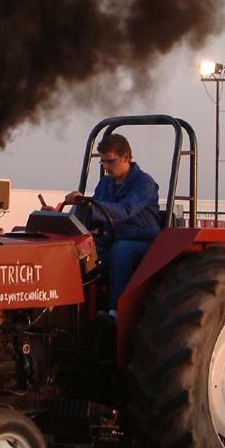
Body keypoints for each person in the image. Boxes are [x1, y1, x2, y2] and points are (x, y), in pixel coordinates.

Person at [62, 133, 160, 320]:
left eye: (110, 161)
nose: (106, 167)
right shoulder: (106, 183)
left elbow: (124, 210)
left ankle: (116, 311)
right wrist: (69, 216)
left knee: (121, 250)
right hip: (110, 238)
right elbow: (93, 212)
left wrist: (88, 204)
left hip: (141, 240)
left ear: (125, 157)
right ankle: (72, 311)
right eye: (103, 162)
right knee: (78, 253)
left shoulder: (144, 183)